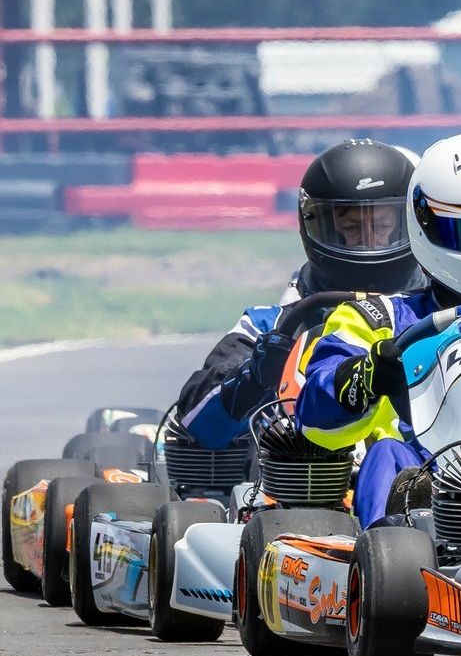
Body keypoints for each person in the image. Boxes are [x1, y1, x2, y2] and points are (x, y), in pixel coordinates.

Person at [294, 132, 461, 526]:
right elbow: (313, 418)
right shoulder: (379, 318)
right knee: (387, 454)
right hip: (430, 486)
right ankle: (391, 547)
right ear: (427, 224)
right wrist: (365, 377)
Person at [169, 139, 422, 449]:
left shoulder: (432, 315)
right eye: (352, 228)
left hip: (425, 470)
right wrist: (253, 378)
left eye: (382, 227)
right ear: (316, 226)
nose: (368, 242)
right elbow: (195, 421)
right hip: (305, 472)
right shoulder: (272, 325)